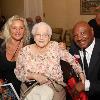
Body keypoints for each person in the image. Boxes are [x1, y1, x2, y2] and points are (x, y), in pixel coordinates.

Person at [14, 22, 85, 100]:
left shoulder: (55, 47)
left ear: (49, 37)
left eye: (45, 35)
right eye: (38, 34)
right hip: (30, 87)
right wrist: (34, 76)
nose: (41, 38)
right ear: (34, 37)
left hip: (55, 88)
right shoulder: (25, 51)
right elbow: (18, 72)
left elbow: (72, 60)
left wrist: (81, 73)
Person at [0, 15, 31, 96]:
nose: (18, 31)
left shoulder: (29, 47)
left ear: (25, 30)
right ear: (9, 29)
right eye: (14, 28)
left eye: (21, 28)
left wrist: (60, 46)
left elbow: (45, 46)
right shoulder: (1, 45)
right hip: (4, 87)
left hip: (23, 89)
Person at [69, 21, 100, 100]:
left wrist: (85, 85)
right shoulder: (74, 48)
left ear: (92, 31)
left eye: (83, 33)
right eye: (75, 35)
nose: (79, 38)